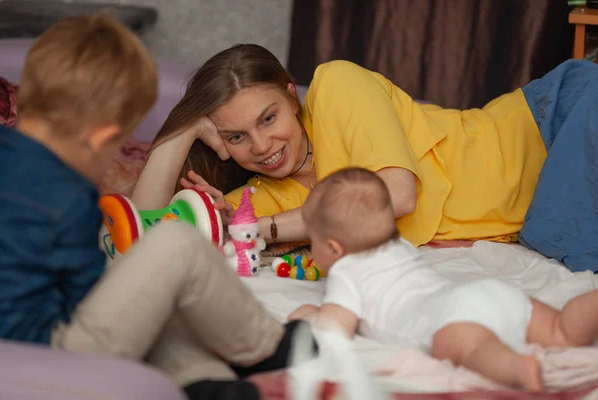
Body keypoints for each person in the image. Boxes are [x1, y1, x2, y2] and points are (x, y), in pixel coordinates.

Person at [0, 15, 313, 400]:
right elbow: (91, 300)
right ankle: (265, 346)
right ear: (99, 138)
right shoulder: (66, 198)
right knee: (174, 244)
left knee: (149, 288)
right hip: (50, 360)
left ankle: (201, 380)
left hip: (21, 343)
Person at [134, 43, 598, 273]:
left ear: (291, 96)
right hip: (543, 201)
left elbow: (396, 196)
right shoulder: (259, 197)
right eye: (236, 136)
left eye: (269, 118)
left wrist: (258, 230)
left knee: (565, 244)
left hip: (552, 124)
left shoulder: (337, 86)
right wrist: (182, 130)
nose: (260, 146)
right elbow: (141, 239)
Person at [287, 167, 598, 392]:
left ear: (334, 248)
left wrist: (311, 315)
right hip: (493, 294)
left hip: (451, 321)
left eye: (312, 240)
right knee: (561, 331)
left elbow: (337, 328)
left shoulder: (345, 270)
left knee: (476, 350)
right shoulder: (399, 246)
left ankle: (518, 368)